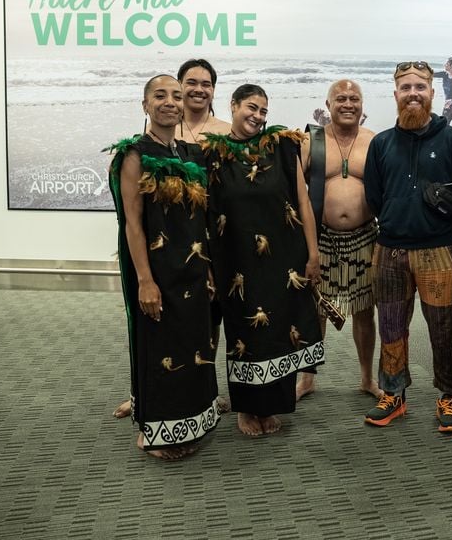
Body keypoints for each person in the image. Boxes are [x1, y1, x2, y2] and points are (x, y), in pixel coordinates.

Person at [105, 74, 220, 459]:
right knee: (160, 347)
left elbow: (197, 219)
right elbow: (132, 224)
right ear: (145, 105)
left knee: (192, 345)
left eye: (175, 95)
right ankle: (154, 431)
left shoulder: (190, 154)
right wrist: (144, 281)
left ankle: (188, 421)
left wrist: (205, 269)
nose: (169, 102)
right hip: (157, 272)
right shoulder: (134, 154)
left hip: (190, 268)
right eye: (160, 95)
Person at [203, 84, 325, 436]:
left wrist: (313, 253)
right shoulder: (213, 154)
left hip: (283, 258)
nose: (257, 116)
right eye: (251, 108)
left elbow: (303, 203)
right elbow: (206, 213)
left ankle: (271, 405)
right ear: (233, 106)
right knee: (244, 331)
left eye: (263, 111)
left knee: (279, 330)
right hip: (234, 259)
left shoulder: (283, 147)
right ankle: (246, 408)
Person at [363, 60, 452, 433]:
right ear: (395, 93)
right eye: (406, 87)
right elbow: (375, 198)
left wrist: (440, 232)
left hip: (439, 252)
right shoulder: (381, 143)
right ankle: (393, 395)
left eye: (421, 87)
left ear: (433, 92)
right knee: (391, 326)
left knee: (444, 330)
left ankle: (448, 395)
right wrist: (400, 223)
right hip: (389, 251)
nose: (413, 93)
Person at [297, 79, 382, 400]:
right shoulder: (311, 141)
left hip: (366, 237)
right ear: (328, 104)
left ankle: (366, 378)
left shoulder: (374, 141)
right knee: (315, 310)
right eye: (341, 99)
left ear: (362, 105)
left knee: (364, 311)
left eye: (354, 99)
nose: (348, 104)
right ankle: (307, 379)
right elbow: (292, 191)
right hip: (322, 238)